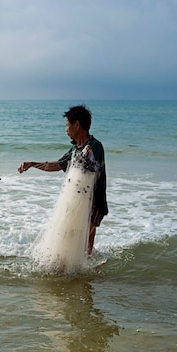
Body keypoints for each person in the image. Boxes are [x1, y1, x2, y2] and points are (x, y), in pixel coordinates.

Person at [18, 105, 108, 255]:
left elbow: (91, 169)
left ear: (77, 125)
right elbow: (58, 165)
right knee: (76, 236)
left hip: (94, 203)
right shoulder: (75, 149)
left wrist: (86, 156)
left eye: (67, 126)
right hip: (77, 201)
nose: (66, 130)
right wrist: (32, 164)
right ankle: (83, 268)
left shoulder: (95, 146)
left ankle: (85, 270)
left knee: (86, 237)